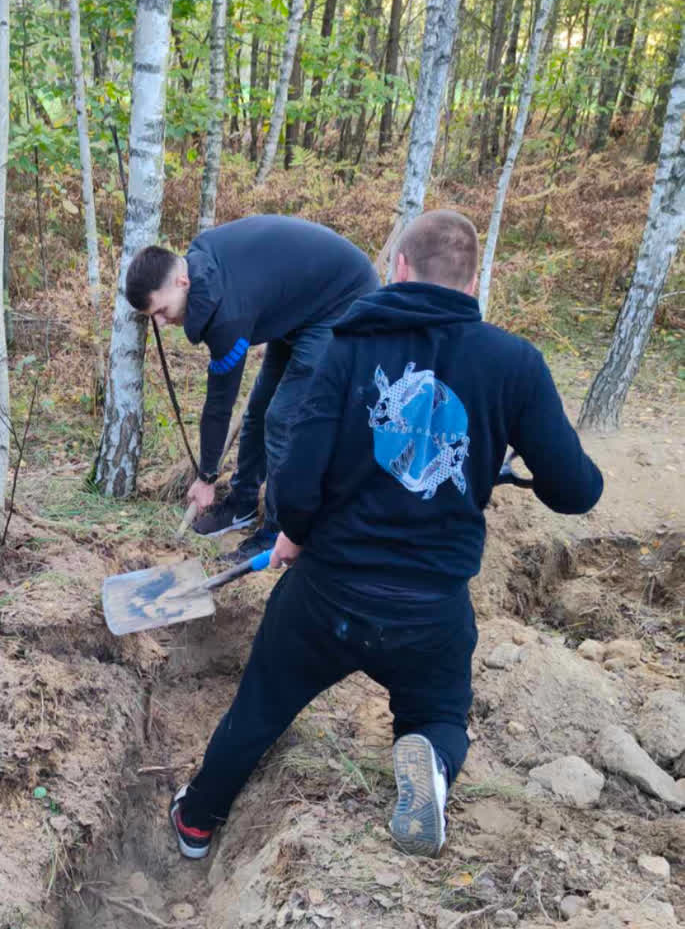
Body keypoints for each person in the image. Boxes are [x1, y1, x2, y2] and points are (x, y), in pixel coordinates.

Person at [168, 210, 603, 860]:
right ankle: (426, 756)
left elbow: (295, 475)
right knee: (437, 716)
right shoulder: (514, 364)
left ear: (397, 267)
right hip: (430, 610)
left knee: (259, 707)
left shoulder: (346, 346)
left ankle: (198, 820)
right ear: (473, 276)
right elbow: (577, 492)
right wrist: (510, 457)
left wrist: (293, 533)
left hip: (327, 596)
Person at [124, 216, 380, 564]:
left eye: (161, 310)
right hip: (298, 305)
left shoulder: (227, 314)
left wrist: (207, 477)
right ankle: (242, 504)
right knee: (258, 410)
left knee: (282, 420)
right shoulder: (201, 267)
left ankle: (278, 530)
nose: (161, 322)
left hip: (340, 301)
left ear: (182, 281)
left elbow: (219, 403)